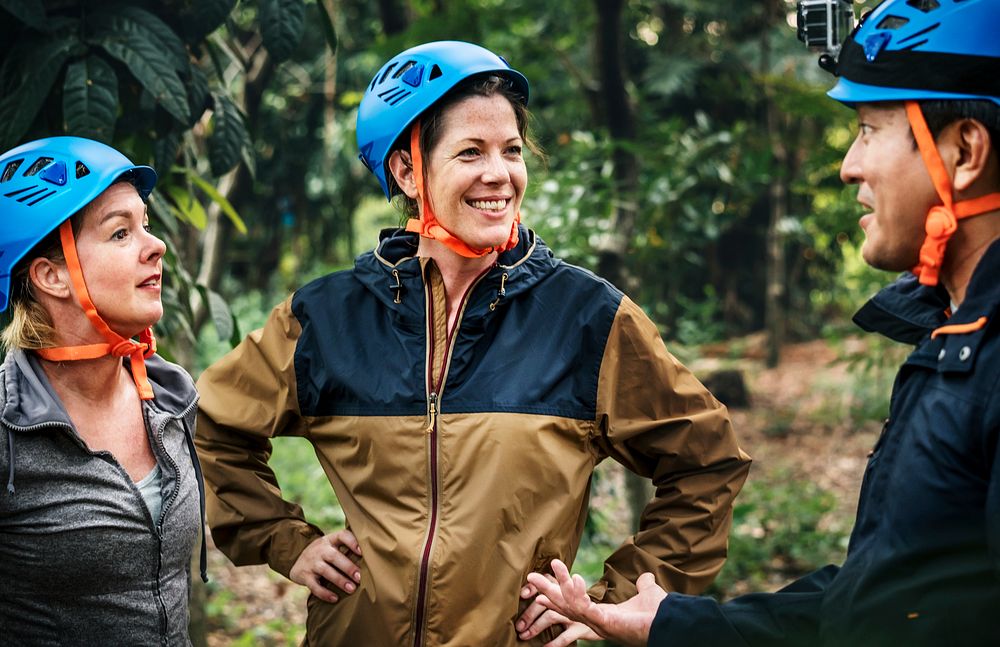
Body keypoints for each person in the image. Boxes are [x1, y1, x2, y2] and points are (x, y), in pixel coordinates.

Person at [194, 40, 750, 646]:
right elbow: (212, 426)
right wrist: (284, 542)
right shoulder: (327, 318)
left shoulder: (587, 317)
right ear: (408, 171)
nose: (500, 174)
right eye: (471, 152)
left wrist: (610, 603)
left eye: (512, 151)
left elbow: (706, 463)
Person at [527, 0, 1000, 645]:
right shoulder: (956, 343)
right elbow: (883, 597)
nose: (849, 165)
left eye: (870, 129)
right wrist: (675, 624)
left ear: (966, 152)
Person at [0, 137, 209, 644]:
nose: (155, 246)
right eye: (120, 233)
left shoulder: (170, 396)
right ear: (51, 276)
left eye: (146, 225)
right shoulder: (6, 430)